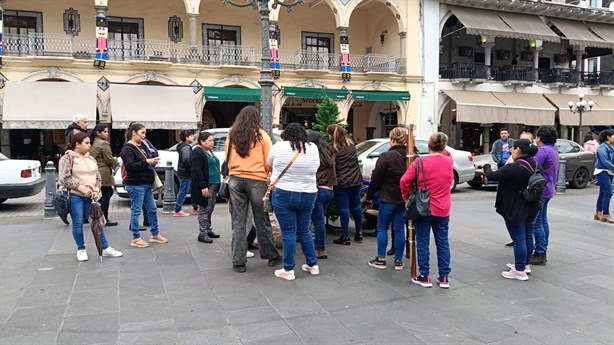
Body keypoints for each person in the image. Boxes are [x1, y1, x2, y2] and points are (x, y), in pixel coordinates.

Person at [225, 106, 282, 273]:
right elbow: (269, 161)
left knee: (239, 221)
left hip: (235, 179)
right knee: (262, 219)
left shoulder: (232, 134)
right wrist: (265, 173)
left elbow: (227, 157)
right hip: (257, 179)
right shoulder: (262, 136)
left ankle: (238, 262)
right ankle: (271, 255)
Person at [400, 132, 454, 288]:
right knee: (443, 242)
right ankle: (444, 278)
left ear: (429, 145)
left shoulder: (420, 161)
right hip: (443, 208)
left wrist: (406, 197)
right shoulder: (449, 160)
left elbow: (404, 180)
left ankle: (425, 276)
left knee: (423, 242)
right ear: (444, 145)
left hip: (424, 208)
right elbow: (447, 153)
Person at [481, 140, 540, 281]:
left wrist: (486, 166)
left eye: (513, 149)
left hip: (516, 207)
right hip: (532, 205)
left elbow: (492, 175)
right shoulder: (535, 164)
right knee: (527, 236)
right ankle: (524, 265)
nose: (511, 152)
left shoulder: (514, 168)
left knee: (519, 238)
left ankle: (519, 271)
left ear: (518, 150)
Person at [58, 132, 122, 261]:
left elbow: (97, 176)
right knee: (77, 223)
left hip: (90, 196)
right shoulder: (67, 158)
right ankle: (81, 249)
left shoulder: (91, 158)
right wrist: (81, 188)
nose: (89, 146)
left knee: (97, 222)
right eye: (86, 143)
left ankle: (105, 247)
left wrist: (96, 189)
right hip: (75, 195)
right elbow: (64, 178)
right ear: (77, 144)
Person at [268, 123, 321, 281]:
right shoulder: (313, 148)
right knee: (304, 230)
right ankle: (313, 265)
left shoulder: (279, 147)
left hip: (284, 192)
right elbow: (316, 167)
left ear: (286, 134)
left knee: (289, 233)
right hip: (309, 193)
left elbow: (269, 162)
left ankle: (288, 269)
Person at [120, 122, 169, 248]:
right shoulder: (127, 148)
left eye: (145, 133)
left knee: (152, 209)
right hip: (136, 184)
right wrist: (146, 161)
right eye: (142, 133)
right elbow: (130, 166)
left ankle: (155, 234)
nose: (144, 135)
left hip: (146, 184)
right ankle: (135, 238)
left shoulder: (141, 146)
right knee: (136, 211)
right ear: (134, 133)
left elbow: (145, 161)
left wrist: (151, 162)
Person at [366, 127, 408, 271]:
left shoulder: (386, 156)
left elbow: (376, 178)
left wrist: (369, 195)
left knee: (382, 227)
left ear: (392, 139)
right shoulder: (411, 155)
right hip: (404, 198)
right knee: (399, 229)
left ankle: (381, 259)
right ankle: (398, 261)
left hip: (388, 197)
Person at [327, 124, 363, 245]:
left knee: (344, 208)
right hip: (355, 180)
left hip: (341, 182)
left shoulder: (331, 148)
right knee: (356, 205)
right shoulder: (351, 145)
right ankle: (359, 232)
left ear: (332, 135)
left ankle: (345, 235)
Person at [530, 126, 559, 266]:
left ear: (540, 138)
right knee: (542, 220)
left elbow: (532, 166)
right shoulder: (553, 150)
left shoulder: (543, 150)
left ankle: (540, 252)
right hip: (548, 189)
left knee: (537, 222)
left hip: (540, 190)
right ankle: (543, 249)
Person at [307, 130, 337, 259]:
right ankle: (317, 246)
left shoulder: (314, 155)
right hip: (329, 190)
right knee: (319, 221)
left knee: (317, 221)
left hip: (318, 190)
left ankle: (320, 249)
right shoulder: (329, 153)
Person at [190, 131, 221, 243]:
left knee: (210, 208)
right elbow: (196, 170)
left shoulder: (208, 151)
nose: (212, 143)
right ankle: (202, 233)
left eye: (213, 140)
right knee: (205, 208)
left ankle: (208, 229)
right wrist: (203, 186)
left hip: (214, 183)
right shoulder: (197, 152)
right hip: (207, 184)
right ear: (202, 141)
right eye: (210, 141)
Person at [89, 123, 119, 227]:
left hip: (95, 171)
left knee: (107, 193)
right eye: (105, 132)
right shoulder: (103, 143)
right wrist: (116, 159)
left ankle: (96, 211)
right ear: (98, 133)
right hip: (104, 172)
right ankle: (102, 216)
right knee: (107, 193)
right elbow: (109, 159)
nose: (107, 134)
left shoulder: (93, 142)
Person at [174, 130, 197, 217]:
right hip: (186, 172)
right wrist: (192, 167)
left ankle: (195, 207)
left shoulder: (182, 146)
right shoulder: (186, 147)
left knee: (192, 189)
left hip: (183, 171)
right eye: (191, 136)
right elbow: (186, 159)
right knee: (184, 190)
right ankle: (178, 209)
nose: (193, 137)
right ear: (187, 138)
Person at [594, 129, 614, 223]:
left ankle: (598, 212)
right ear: (608, 137)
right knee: (608, 192)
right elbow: (605, 161)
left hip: (608, 171)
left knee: (603, 192)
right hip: (602, 171)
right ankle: (606, 214)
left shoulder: (610, 147)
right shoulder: (603, 147)